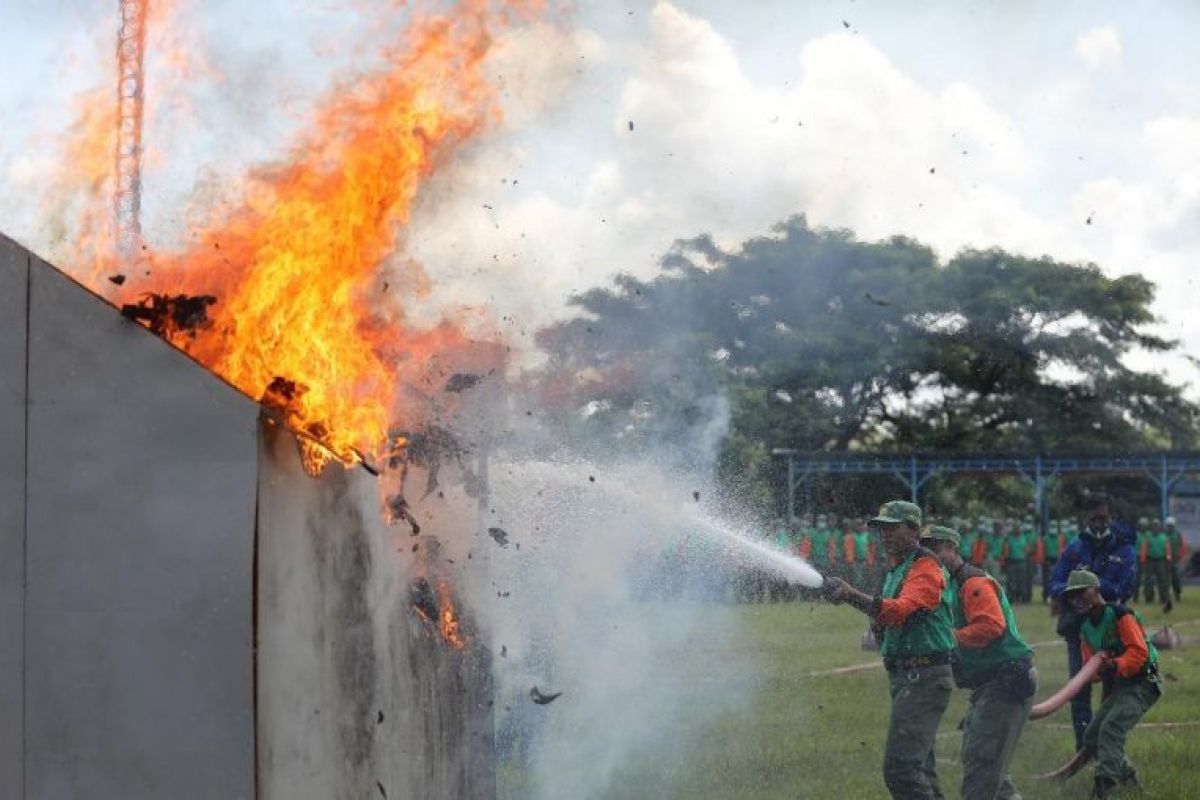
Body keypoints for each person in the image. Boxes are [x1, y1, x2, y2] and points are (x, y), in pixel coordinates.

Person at [824, 501, 956, 800]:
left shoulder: (925, 566)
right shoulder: (899, 567)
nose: (884, 534)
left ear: (913, 528)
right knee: (921, 768)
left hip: (923, 676)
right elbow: (886, 618)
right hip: (909, 675)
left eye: (891, 527)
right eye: (880, 528)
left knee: (901, 769)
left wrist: (850, 594)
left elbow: (902, 611)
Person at [921, 525, 1036, 800]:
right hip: (990, 685)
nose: (931, 556)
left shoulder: (973, 583)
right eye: (925, 551)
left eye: (936, 549)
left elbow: (990, 626)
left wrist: (949, 638)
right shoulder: (951, 586)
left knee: (982, 766)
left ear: (953, 549)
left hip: (1005, 683)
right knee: (984, 763)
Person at [1060, 569, 1162, 798]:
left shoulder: (1119, 614)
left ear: (1096, 590)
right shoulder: (1085, 627)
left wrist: (1115, 665)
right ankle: (1129, 780)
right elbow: (1091, 667)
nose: (1076, 599)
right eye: (1072, 595)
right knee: (1092, 736)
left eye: (1081, 592)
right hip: (1120, 685)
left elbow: (1139, 653)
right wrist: (1100, 671)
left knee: (1111, 728)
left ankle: (1104, 786)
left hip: (1143, 682)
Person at [1050, 494, 1138, 750]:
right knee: (1078, 689)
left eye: (1104, 518)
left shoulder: (1124, 549)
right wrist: (1075, 592)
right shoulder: (1075, 548)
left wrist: (1091, 585)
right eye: (1094, 518)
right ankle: (1084, 748)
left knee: (1112, 691)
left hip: (1113, 630)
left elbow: (1125, 589)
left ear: (1112, 519)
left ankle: (1108, 748)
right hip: (1079, 630)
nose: (1099, 523)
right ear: (1086, 519)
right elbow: (1055, 583)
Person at [1140, 519, 1173, 611]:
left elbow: (1168, 550)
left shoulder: (1164, 537)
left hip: (1161, 560)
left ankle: (1163, 598)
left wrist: (1169, 559)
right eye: (1154, 526)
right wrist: (1143, 560)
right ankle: (1149, 598)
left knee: (1163, 580)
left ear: (1160, 527)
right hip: (1150, 560)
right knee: (1148, 580)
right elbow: (1144, 549)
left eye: (1157, 526)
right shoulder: (1148, 537)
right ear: (1152, 527)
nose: (1155, 527)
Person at [1038, 519, 1066, 603]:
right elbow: (1042, 550)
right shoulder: (1045, 538)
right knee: (1046, 579)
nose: (1053, 528)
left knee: (1056, 579)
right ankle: (1046, 596)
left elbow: (1062, 549)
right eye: (1052, 527)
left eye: (1054, 527)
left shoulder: (1060, 538)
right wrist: (1044, 560)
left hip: (1057, 561)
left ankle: (1055, 596)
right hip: (1047, 561)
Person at [1165, 516, 1186, 602]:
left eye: (1171, 525)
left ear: (1174, 526)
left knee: (1175, 577)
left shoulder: (1178, 534)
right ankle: (1165, 596)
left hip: (1174, 558)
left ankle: (1177, 593)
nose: (1170, 527)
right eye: (1168, 525)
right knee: (1165, 578)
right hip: (1165, 558)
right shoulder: (1163, 534)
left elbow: (1182, 546)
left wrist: (1180, 556)